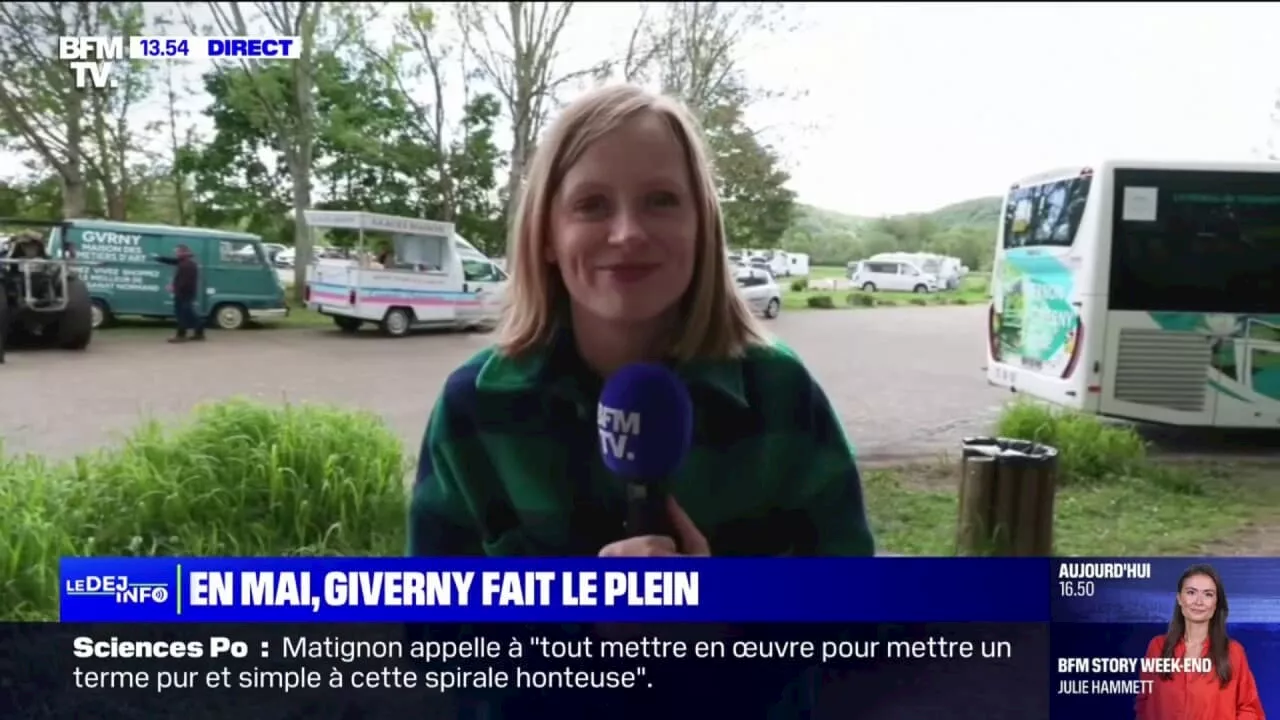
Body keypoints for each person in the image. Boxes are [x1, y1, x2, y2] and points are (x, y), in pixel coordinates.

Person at [408, 82, 872, 717]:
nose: (627, 233)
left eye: (660, 200)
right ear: (547, 232)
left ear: (701, 226)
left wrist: (722, 624)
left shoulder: (780, 395)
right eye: (592, 205)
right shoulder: (476, 408)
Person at [1136, 563, 1265, 720]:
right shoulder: (1157, 647)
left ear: (1216, 603)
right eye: (1191, 592)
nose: (1199, 601)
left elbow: (1248, 709)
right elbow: (1144, 705)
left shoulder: (1233, 652)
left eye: (1208, 594)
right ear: (1179, 599)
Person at [154, 244, 204, 343]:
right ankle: (199, 332)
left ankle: (181, 335)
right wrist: (159, 258)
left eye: (177, 252)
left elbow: (184, 281)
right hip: (186, 294)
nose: (176, 254)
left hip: (183, 294)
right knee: (188, 314)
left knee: (181, 314)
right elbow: (172, 261)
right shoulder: (186, 263)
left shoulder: (186, 265)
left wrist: (173, 287)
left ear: (183, 253)